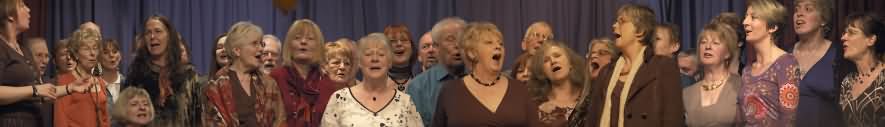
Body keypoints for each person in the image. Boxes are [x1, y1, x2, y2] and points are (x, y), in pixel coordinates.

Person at [584, 3, 683, 127]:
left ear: (640, 31)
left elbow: (673, 119)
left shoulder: (662, 67)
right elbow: (592, 120)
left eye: (622, 21)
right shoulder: (606, 72)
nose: (614, 26)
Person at [432, 22, 540, 127]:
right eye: (489, 42)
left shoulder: (520, 90)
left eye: (500, 43)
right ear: (471, 53)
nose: (498, 46)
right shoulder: (450, 92)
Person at [0, 1, 80, 126]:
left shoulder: (23, 50)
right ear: (9, 15)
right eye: (22, 6)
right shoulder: (2, 48)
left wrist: (71, 87)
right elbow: (36, 90)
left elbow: (43, 93)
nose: (28, 10)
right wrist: (34, 90)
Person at [321, 33, 423, 126]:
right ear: (360, 62)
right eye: (368, 54)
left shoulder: (405, 102)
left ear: (390, 62)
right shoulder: (339, 99)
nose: (375, 59)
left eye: (381, 54)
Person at [202, 22, 286, 127]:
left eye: (261, 44)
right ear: (237, 51)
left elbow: (280, 121)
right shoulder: (216, 85)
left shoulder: (269, 83)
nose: (261, 49)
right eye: (254, 43)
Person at [123, 15, 200, 126]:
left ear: (169, 36)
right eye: (148, 33)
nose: (152, 36)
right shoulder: (135, 76)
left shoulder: (188, 75)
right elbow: (124, 118)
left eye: (158, 31)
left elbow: (198, 117)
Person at [738, 0, 800, 126]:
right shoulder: (747, 71)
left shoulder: (786, 64)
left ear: (772, 27)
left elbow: (789, 119)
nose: (745, 22)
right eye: (745, 17)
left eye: (753, 17)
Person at [269, 19, 335, 127]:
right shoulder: (276, 77)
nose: (303, 42)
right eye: (297, 38)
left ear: (318, 46)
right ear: (289, 44)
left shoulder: (327, 82)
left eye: (310, 38)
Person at [406, 17, 467, 127]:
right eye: (450, 39)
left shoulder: (482, 78)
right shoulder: (418, 87)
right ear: (436, 46)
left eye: (462, 38)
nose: (458, 45)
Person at [791, 0, 843, 126]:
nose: (799, 14)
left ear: (823, 20)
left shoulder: (839, 55)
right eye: (797, 9)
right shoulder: (784, 56)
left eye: (808, 9)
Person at [683, 23, 741, 127]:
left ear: (727, 53)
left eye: (715, 43)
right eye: (703, 42)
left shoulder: (740, 86)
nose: (708, 47)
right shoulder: (687, 93)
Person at [54, 29, 111, 127]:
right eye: (86, 49)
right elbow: (60, 120)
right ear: (76, 54)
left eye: (95, 48)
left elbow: (105, 119)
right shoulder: (64, 81)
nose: (92, 53)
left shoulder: (100, 81)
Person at [838, 12, 885, 127]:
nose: (843, 38)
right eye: (844, 33)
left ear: (871, 40)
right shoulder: (847, 82)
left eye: (852, 33)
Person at [528, 41, 586, 127]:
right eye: (546, 60)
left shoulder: (588, 97)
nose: (553, 61)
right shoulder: (534, 105)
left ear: (571, 63)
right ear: (543, 72)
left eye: (557, 56)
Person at [384, 24, 417, 91]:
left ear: (412, 48)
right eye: (392, 41)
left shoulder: (422, 78)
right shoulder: (376, 82)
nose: (399, 44)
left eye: (404, 40)